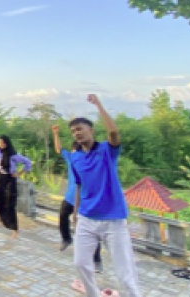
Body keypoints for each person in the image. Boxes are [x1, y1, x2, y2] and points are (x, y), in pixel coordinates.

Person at [71, 94, 141, 297]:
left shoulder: (106, 151)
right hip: (86, 217)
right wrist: (75, 213)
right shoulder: (76, 159)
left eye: (80, 129)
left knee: (124, 271)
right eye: (74, 131)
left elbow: (113, 131)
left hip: (113, 220)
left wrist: (98, 104)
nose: (77, 133)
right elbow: (78, 186)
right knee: (80, 264)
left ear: (90, 130)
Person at [53, 124, 103, 272]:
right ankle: (66, 238)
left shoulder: (91, 160)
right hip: (70, 197)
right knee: (62, 215)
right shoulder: (71, 158)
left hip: (85, 200)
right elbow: (59, 149)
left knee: (91, 230)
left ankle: (96, 259)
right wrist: (55, 134)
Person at [0, 132, 32, 239]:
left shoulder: (13, 154)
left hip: (10, 179)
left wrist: (19, 173)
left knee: (10, 203)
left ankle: (14, 229)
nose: (1, 144)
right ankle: (1, 218)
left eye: (3, 142)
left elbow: (28, 162)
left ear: (7, 143)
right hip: (0, 177)